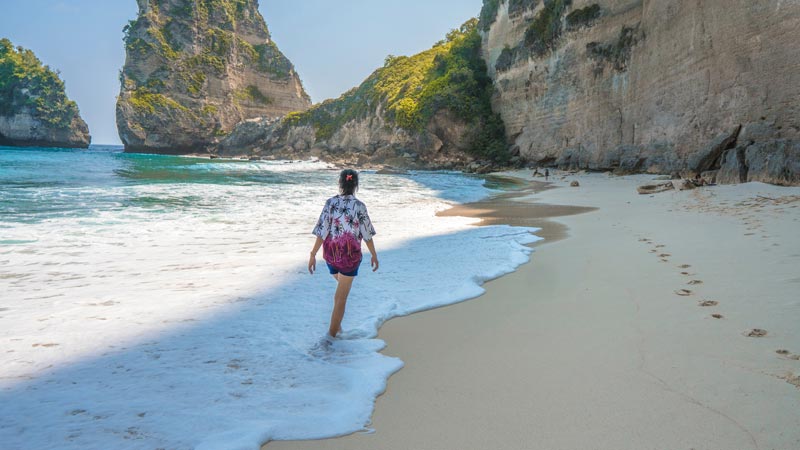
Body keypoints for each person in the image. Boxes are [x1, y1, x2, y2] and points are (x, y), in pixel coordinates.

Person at [308, 169, 379, 338]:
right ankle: (330, 338)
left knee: (340, 292)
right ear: (356, 185)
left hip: (331, 255)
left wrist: (313, 254)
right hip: (349, 257)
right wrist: (374, 255)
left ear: (340, 183)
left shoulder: (330, 203)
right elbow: (367, 234)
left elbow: (322, 231)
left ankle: (337, 326)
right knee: (341, 298)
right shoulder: (359, 206)